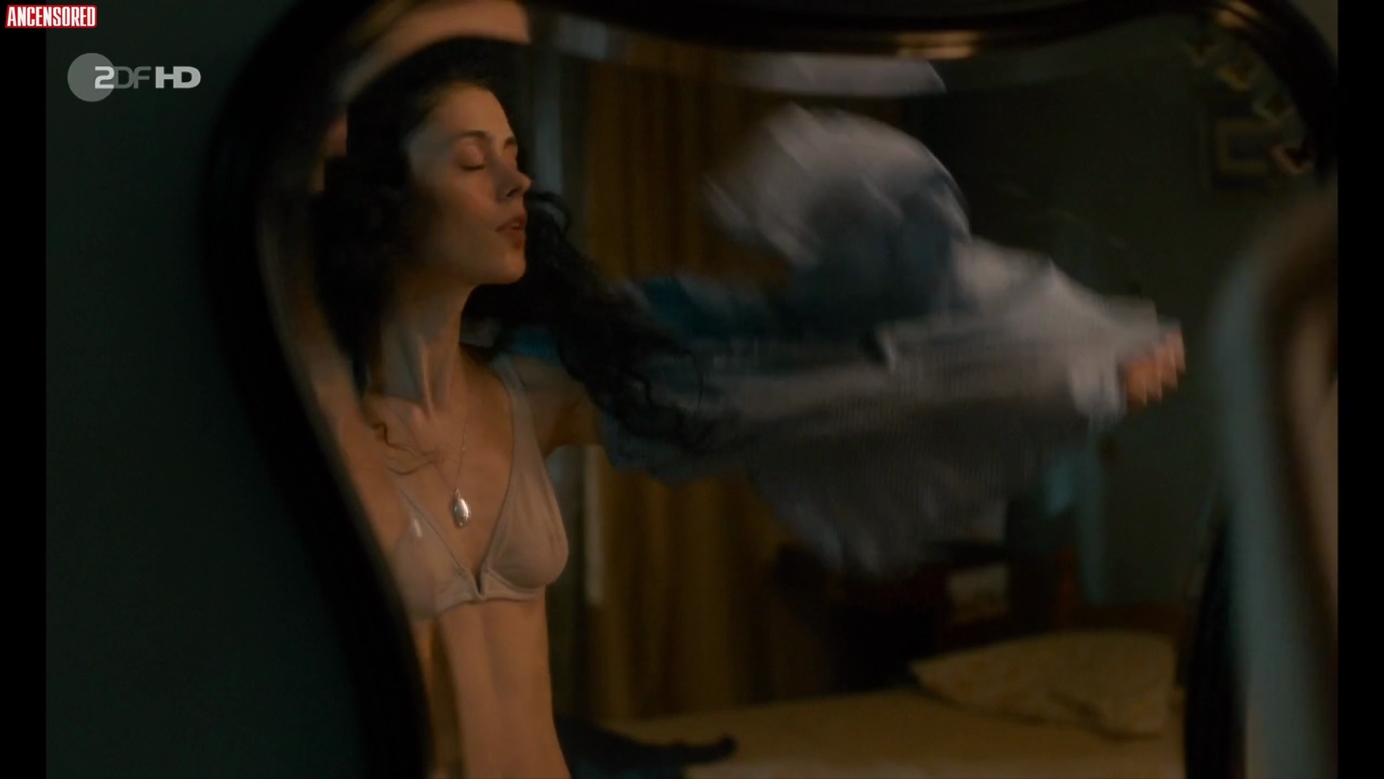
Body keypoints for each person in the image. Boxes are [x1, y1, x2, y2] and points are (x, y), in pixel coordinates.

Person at [309, 33, 1184, 779]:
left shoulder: (534, 393)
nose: (516, 184)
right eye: (473, 162)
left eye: (514, 155)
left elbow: (800, 396)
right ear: (383, 194)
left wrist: (1053, 374)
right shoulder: (320, 409)